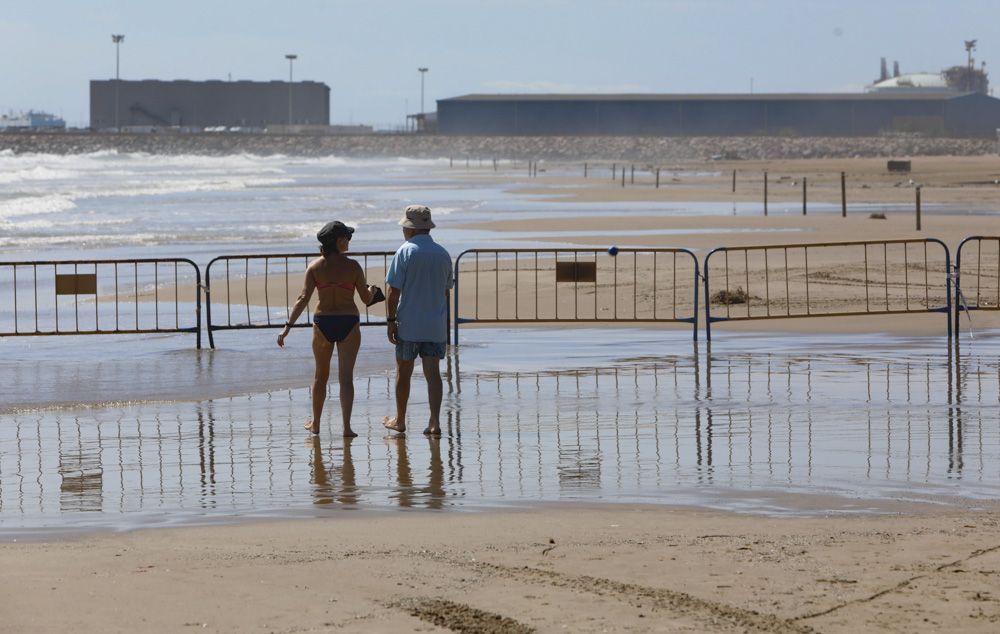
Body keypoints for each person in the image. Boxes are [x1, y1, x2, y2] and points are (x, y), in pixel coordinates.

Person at [277, 221, 380, 437]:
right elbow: (365, 298)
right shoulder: (353, 267)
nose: (350, 241)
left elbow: (303, 298)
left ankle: (316, 424)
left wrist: (287, 327)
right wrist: (372, 291)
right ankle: (346, 427)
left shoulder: (315, 267)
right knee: (346, 378)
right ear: (339, 241)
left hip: (323, 322)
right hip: (348, 322)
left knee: (320, 377)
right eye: (347, 237)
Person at [382, 204, 453, 436]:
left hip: (409, 324)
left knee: (404, 372)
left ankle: (400, 419)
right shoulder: (443, 254)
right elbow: (445, 291)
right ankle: (434, 421)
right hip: (435, 324)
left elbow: (393, 291)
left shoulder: (405, 251)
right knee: (433, 373)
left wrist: (391, 320)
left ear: (410, 229)